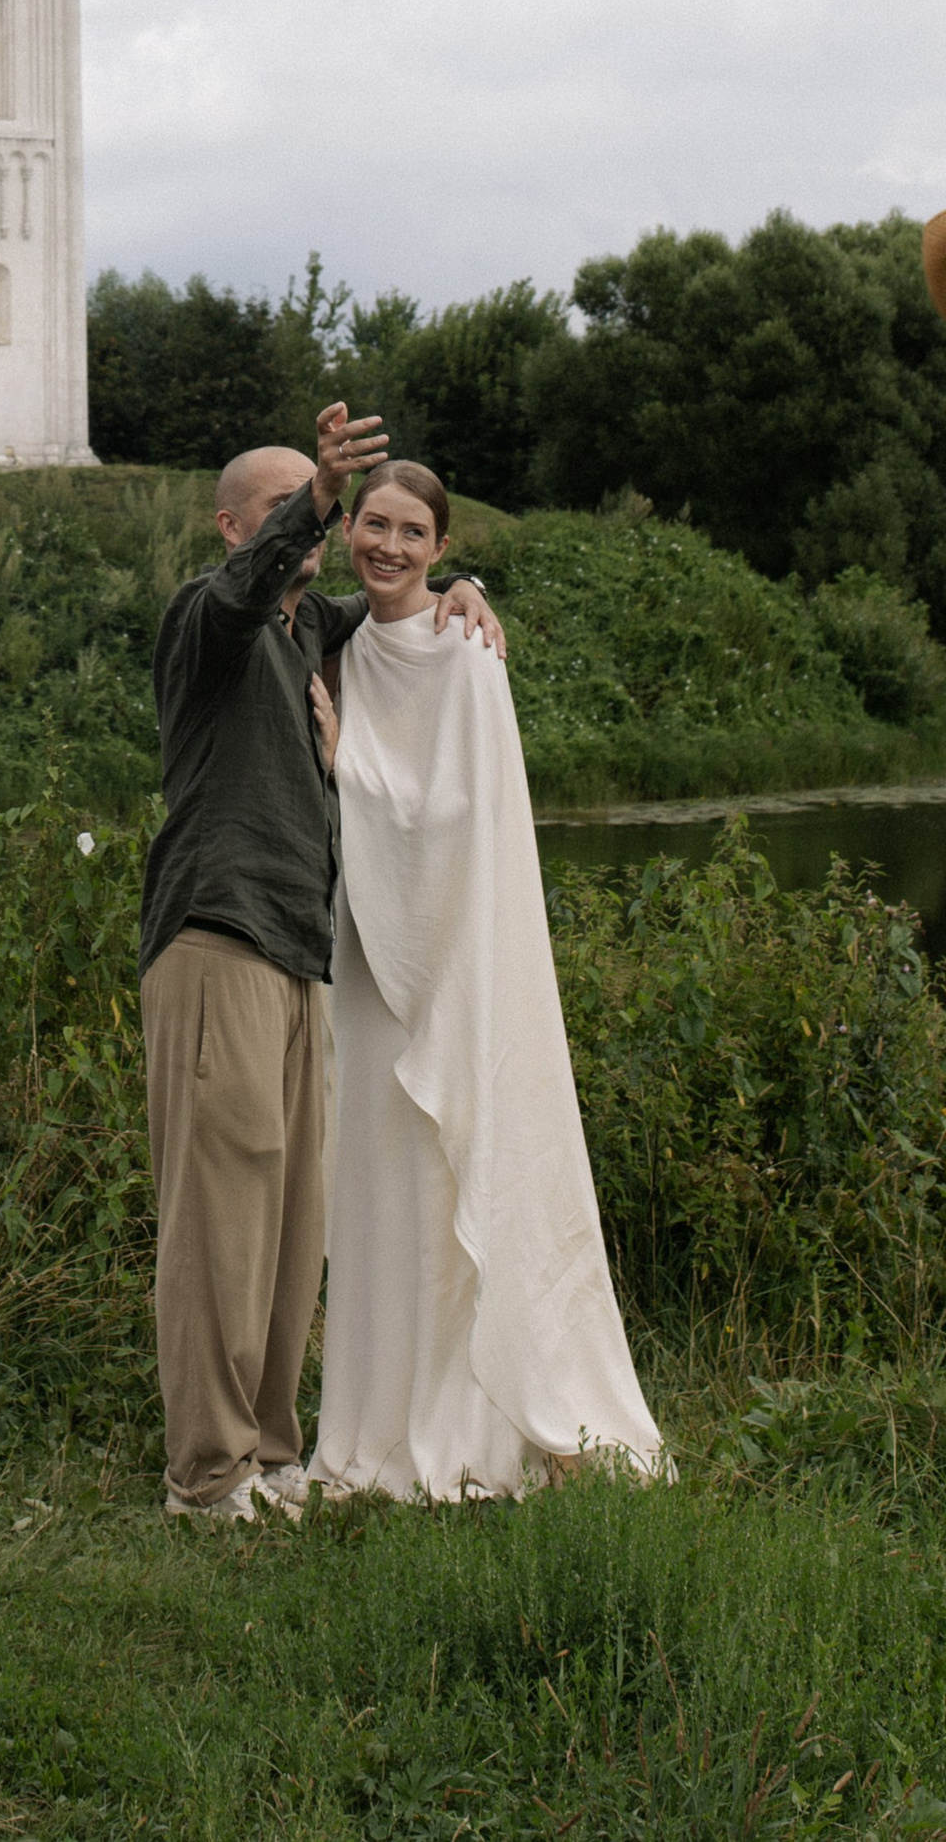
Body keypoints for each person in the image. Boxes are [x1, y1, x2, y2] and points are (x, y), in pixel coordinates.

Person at [140, 405, 505, 1522]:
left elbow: (397, 593)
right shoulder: (210, 618)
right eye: (299, 510)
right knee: (219, 1211)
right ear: (232, 521)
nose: (324, 531)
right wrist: (312, 501)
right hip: (217, 936)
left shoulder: (311, 630)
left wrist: (462, 587)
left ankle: (265, 1452)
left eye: (325, 512)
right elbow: (252, 582)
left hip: (304, 954)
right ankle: (203, 1477)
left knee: (295, 1217)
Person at [312, 457, 665, 1502]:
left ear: (443, 548)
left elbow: (459, 822)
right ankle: (373, 1424)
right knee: (374, 1183)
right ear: (348, 533)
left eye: (411, 532)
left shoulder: (468, 654)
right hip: (367, 969)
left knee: (441, 1173)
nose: (388, 545)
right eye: (373, 523)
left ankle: (463, 1422)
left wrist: (349, 770)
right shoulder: (337, 642)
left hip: (450, 967)